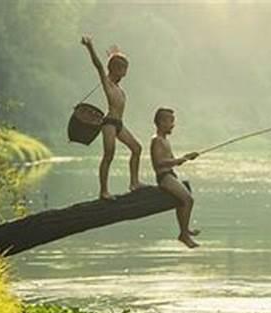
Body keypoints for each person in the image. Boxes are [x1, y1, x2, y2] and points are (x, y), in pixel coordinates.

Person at [81, 35, 145, 200]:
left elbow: (112, 63)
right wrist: (90, 47)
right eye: (124, 68)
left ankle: (134, 182)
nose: (126, 72)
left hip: (119, 124)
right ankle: (103, 191)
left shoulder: (118, 88)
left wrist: (116, 55)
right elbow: (99, 66)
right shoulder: (108, 82)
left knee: (137, 149)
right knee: (109, 154)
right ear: (116, 69)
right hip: (109, 123)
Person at [150, 107, 201, 248]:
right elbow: (159, 162)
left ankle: (185, 230)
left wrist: (187, 157)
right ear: (161, 122)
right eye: (170, 121)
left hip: (170, 175)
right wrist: (180, 159)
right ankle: (183, 235)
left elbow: (171, 160)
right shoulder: (157, 140)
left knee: (182, 200)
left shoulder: (165, 140)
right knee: (188, 199)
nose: (173, 125)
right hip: (164, 177)